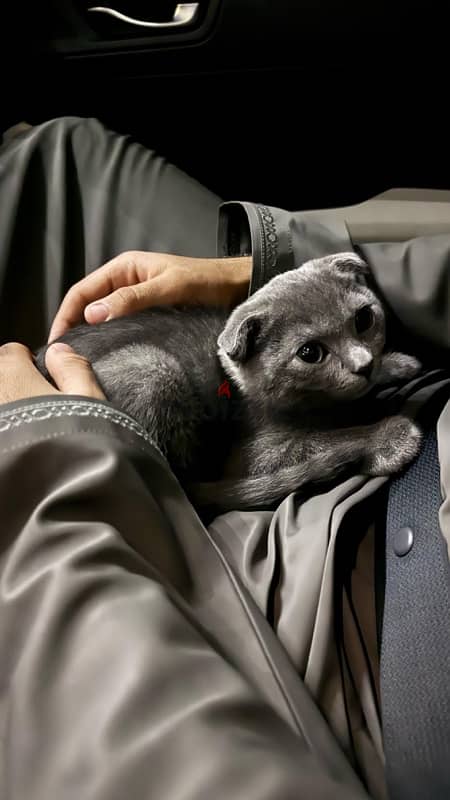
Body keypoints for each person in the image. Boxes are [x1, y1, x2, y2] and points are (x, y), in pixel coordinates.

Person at [0, 116, 448, 800]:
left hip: (370, 593)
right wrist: (266, 269)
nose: (360, 355)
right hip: (406, 396)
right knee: (56, 155)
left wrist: (49, 470)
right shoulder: (341, 340)